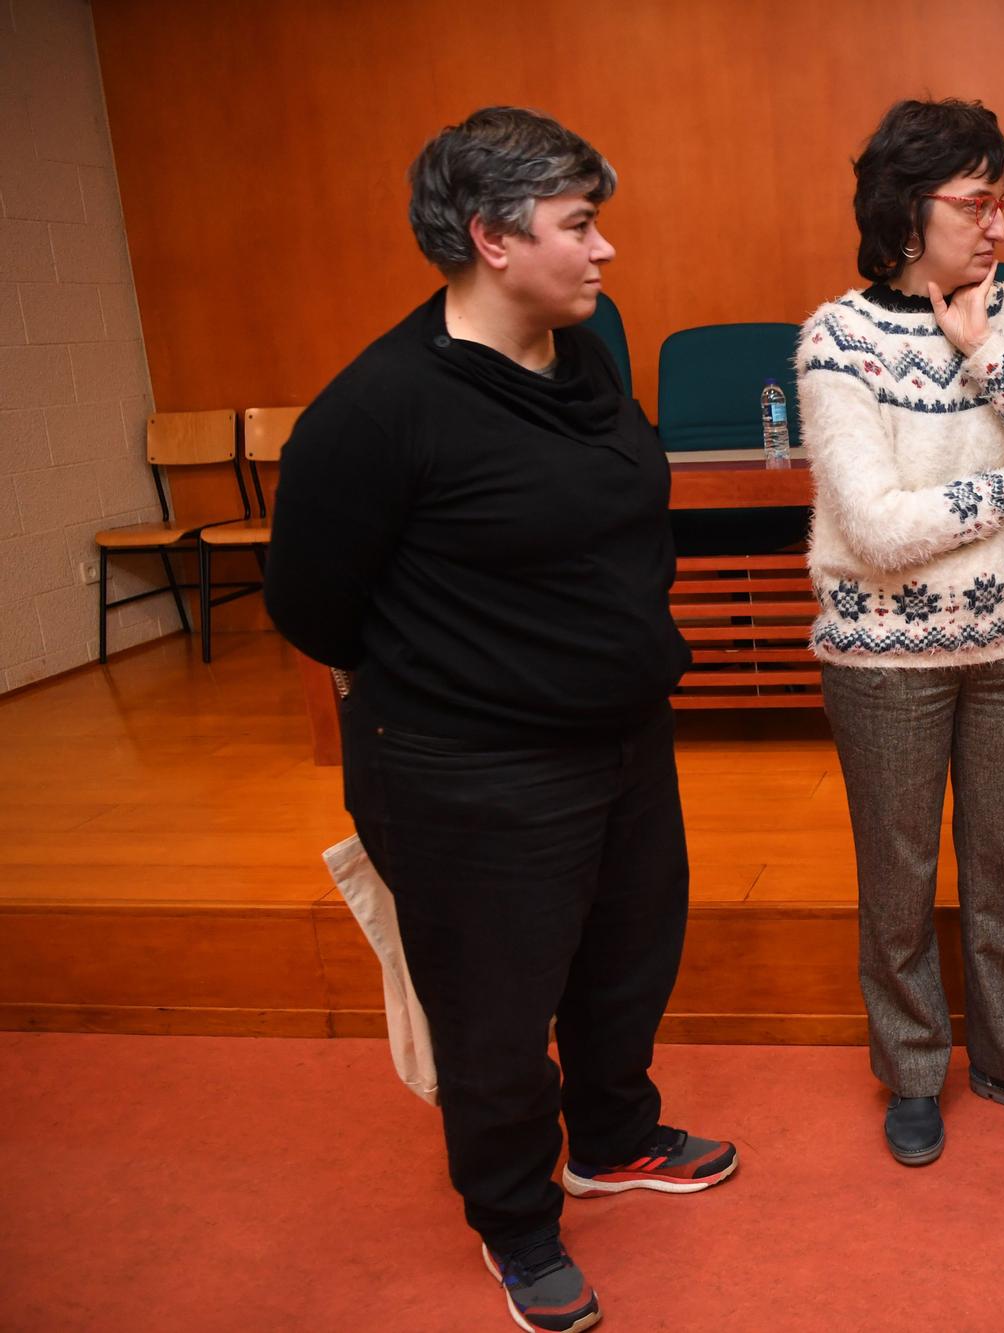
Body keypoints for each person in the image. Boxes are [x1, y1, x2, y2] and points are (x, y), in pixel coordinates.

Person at [264, 107, 734, 1333]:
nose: (605, 252)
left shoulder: (589, 344)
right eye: (580, 225)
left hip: (622, 739)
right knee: (495, 1010)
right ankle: (518, 1222)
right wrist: (471, 675)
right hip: (466, 773)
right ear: (489, 238)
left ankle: (615, 1139)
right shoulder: (377, 411)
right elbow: (314, 606)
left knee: (625, 962)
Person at [797, 98, 1004, 1166]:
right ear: (904, 208)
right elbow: (876, 530)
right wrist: (1000, 487)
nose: (997, 228)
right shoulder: (835, 338)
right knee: (895, 880)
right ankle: (914, 1069)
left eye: (1003, 204)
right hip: (883, 655)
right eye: (977, 203)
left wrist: (987, 360)